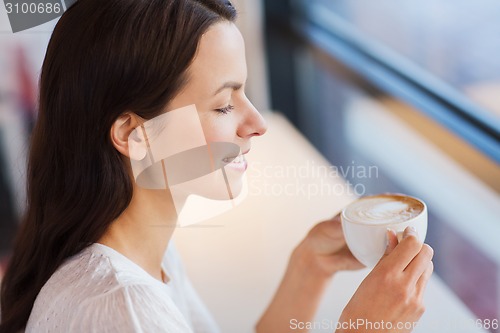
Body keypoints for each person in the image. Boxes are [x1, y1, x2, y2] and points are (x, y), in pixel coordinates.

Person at [0, 0, 434, 332]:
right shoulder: (120, 308)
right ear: (135, 135)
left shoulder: (148, 256)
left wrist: (308, 269)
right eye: (224, 105)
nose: (257, 124)